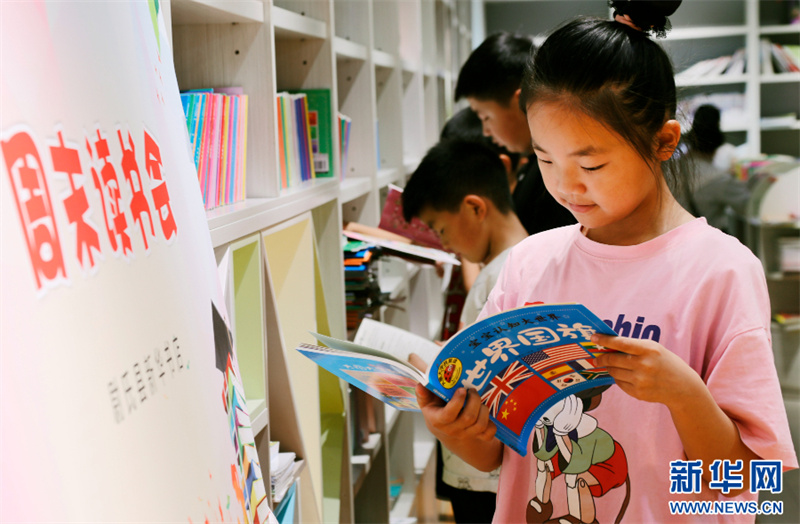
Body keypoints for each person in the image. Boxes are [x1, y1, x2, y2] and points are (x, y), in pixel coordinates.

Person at [415, 2, 798, 523]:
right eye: (545, 159)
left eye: (591, 164)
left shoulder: (722, 271)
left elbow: (753, 481)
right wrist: (455, 427)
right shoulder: (528, 264)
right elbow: (496, 458)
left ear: (664, 141)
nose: (565, 186)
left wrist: (684, 395)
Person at [403, 138, 529, 523]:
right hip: (482, 470)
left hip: (484, 477)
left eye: (441, 229)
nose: (444, 244)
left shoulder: (502, 277)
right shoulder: (513, 266)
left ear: (475, 208)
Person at [455, 32, 576, 235]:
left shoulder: (554, 178)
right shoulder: (533, 165)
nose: (486, 131)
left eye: (485, 117)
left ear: (521, 100)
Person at [685, 104, 750, 234]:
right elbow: (748, 206)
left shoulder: (672, 169)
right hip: (705, 239)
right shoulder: (719, 180)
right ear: (717, 144)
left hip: (676, 240)